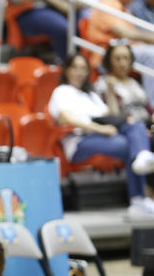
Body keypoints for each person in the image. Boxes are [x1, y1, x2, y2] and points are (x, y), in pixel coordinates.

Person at [48, 53, 154, 216]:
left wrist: (110, 90)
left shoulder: (90, 95)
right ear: (67, 70)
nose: (79, 72)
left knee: (137, 126)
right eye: (75, 68)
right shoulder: (61, 91)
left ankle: (142, 160)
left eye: (83, 68)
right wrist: (99, 129)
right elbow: (65, 118)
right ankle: (138, 198)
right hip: (79, 141)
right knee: (130, 146)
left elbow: (111, 115)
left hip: (103, 135)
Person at [86, 0, 154, 104]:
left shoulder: (123, 7)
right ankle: (152, 106)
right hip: (105, 54)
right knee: (151, 54)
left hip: (123, 49)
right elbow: (124, 33)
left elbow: (132, 36)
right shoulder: (107, 3)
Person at [93, 42, 153, 126]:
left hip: (146, 125)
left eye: (126, 58)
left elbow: (149, 109)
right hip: (126, 127)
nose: (122, 63)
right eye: (117, 59)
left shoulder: (134, 82)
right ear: (109, 60)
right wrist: (110, 90)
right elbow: (112, 116)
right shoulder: (102, 83)